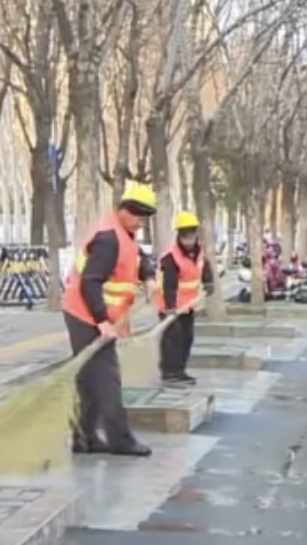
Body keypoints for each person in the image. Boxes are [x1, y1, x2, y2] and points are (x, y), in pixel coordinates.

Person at [61, 181, 157, 457]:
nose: (140, 223)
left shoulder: (124, 234)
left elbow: (140, 258)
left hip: (91, 314)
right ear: (125, 209)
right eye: (138, 216)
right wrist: (101, 320)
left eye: (144, 218)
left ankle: (84, 438)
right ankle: (119, 439)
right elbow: (90, 282)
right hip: (86, 315)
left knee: (90, 378)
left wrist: (149, 278)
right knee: (106, 377)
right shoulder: (108, 239)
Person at [155, 211, 210, 386]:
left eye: (191, 237)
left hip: (188, 306)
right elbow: (169, 286)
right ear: (179, 236)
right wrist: (170, 308)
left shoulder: (199, 252)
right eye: (185, 237)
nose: (189, 241)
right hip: (170, 307)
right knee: (173, 340)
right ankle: (170, 373)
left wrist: (209, 282)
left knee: (187, 339)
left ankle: (180, 371)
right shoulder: (171, 258)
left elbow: (204, 267)